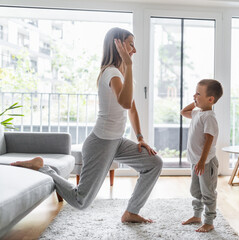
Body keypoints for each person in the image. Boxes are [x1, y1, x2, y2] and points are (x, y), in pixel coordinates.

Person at [11, 27, 163, 223]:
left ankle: (131, 212)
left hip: (116, 141)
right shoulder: (111, 73)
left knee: (154, 163)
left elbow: (131, 109)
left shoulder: (123, 73)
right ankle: (44, 167)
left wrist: (141, 138)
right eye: (131, 44)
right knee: (80, 201)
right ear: (117, 44)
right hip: (100, 143)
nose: (134, 49)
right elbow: (124, 103)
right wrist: (129, 65)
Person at [180, 79, 223, 232]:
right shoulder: (198, 112)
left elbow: (209, 140)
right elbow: (183, 112)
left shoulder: (209, 117)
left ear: (210, 99)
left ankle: (209, 221)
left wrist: (202, 161)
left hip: (206, 162)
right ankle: (197, 215)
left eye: (198, 94)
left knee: (208, 192)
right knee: (196, 190)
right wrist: (195, 101)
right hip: (196, 161)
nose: (194, 95)